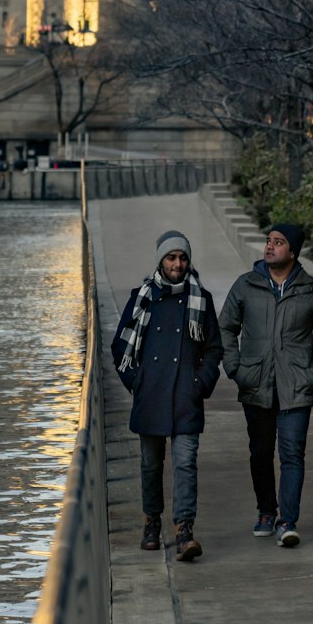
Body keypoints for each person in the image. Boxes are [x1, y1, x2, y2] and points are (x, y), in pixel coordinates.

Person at [218, 221, 313, 548]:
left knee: (292, 454)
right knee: (260, 453)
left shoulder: (311, 290)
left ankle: (288, 521)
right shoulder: (246, 286)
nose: (270, 247)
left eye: (279, 242)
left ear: (293, 252)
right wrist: (235, 368)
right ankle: (266, 512)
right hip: (255, 384)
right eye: (269, 241)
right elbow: (225, 328)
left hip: (296, 386)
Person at [111, 229, 223, 562]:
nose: (178, 263)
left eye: (183, 257)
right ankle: (151, 521)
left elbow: (214, 347)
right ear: (161, 260)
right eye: (172, 257)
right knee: (150, 465)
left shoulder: (201, 299)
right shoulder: (142, 297)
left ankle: (184, 530)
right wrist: (137, 381)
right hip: (152, 395)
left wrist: (200, 382)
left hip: (186, 397)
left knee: (186, 464)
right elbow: (120, 346)